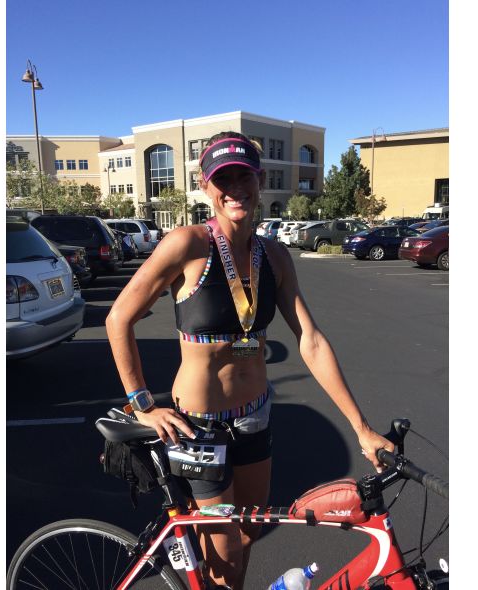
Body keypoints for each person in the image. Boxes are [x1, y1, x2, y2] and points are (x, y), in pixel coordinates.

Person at [106, 131, 394, 590]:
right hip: (198, 427)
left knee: (249, 532)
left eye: (245, 177)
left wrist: (361, 428)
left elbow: (311, 340)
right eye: (224, 179)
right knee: (223, 557)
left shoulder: (275, 256)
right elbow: (118, 318)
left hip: (254, 417)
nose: (235, 188)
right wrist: (142, 403)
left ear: (260, 181)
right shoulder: (187, 245)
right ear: (205, 186)